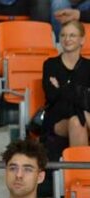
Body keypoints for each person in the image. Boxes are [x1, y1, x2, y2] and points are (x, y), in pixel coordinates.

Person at [43, 20, 90, 148]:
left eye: (72, 35)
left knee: (77, 121)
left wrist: (62, 88)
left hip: (84, 116)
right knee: (78, 121)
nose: (67, 39)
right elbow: (52, 96)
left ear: (82, 40)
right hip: (57, 118)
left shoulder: (89, 66)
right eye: (63, 35)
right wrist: (82, 95)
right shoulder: (50, 64)